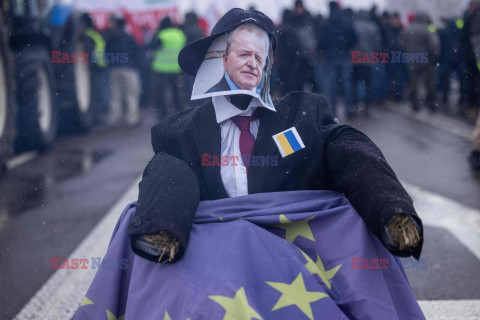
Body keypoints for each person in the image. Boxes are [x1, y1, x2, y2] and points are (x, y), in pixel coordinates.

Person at [75, 9, 425, 319]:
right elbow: (168, 173)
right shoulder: (180, 132)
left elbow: (349, 148)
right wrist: (162, 225)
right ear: (219, 59)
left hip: (292, 270)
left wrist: (391, 210)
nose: (253, 63)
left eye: (262, 56)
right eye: (244, 53)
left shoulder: (304, 115)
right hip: (219, 271)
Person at [318, 1, 357, 116]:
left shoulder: (325, 23)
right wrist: (346, 47)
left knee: (332, 84)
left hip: (331, 58)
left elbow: (321, 42)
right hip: (344, 56)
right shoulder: (346, 21)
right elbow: (354, 38)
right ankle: (348, 109)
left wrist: (326, 50)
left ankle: (334, 111)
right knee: (346, 84)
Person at [105, 17, 141, 126]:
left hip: (114, 69)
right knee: (131, 94)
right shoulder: (129, 37)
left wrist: (111, 63)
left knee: (115, 95)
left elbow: (106, 52)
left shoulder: (110, 37)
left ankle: (114, 119)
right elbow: (137, 53)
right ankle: (132, 119)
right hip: (129, 68)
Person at [149, 17, 187, 119]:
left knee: (161, 91)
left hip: (161, 68)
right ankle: (179, 110)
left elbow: (152, 47)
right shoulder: (179, 34)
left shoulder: (161, 35)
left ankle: (163, 113)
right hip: (176, 68)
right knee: (176, 91)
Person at [401, 12, 440, 111]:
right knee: (429, 82)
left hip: (412, 58)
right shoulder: (427, 29)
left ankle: (414, 104)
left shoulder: (408, 30)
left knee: (414, 82)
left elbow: (402, 44)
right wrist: (435, 56)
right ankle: (431, 104)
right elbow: (434, 45)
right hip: (426, 59)